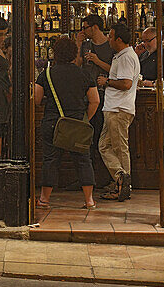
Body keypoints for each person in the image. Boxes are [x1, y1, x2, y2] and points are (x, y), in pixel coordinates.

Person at [34, 36, 100, 210]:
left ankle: (44, 200)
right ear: (74, 54)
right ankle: (89, 200)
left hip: (53, 123)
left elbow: (37, 99)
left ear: (55, 54)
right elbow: (95, 101)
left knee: (50, 160)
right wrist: (85, 118)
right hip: (77, 122)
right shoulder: (84, 74)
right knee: (83, 160)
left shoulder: (46, 74)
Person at [96, 23, 141, 201]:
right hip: (114, 108)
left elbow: (126, 84)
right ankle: (121, 179)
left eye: (111, 35)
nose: (108, 38)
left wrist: (106, 82)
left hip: (119, 109)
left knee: (119, 148)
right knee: (105, 146)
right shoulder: (122, 56)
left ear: (119, 39)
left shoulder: (125, 57)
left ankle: (123, 183)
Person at [78, 14, 114, 189]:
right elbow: (77, 64)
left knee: (103, 139)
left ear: (95, 27)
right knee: (88, 137)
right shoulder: (85, 45)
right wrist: (78, 43)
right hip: (87, 97)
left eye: (85, 27)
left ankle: (103, 177)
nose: (83, 31)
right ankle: (87, 179)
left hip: (107, 97)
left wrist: (97, 60)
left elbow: (116, 70)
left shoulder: (110, 45)